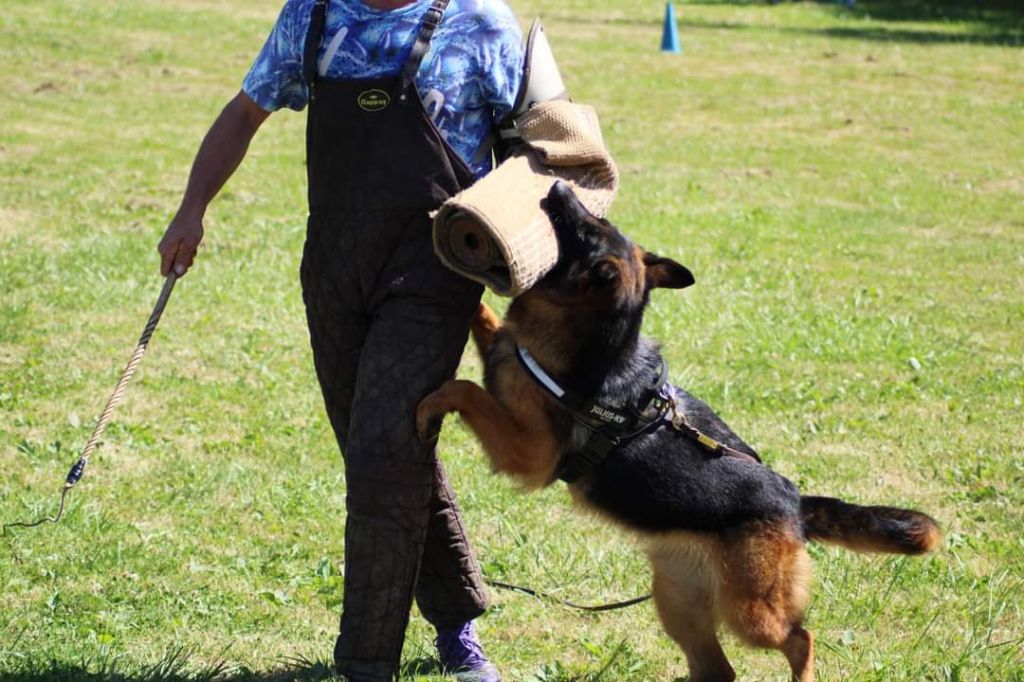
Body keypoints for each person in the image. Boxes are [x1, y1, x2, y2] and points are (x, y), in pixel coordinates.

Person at [157, 0, 523, 679]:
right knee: (379, 449)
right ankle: (456, 625)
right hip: (334, 266)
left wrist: (527, 256)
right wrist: (191, 209)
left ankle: (364, 663)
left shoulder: (481, 21)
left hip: (437, 267)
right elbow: (245, 112)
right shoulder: (314, 15)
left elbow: (529, 148)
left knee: (385, 448)